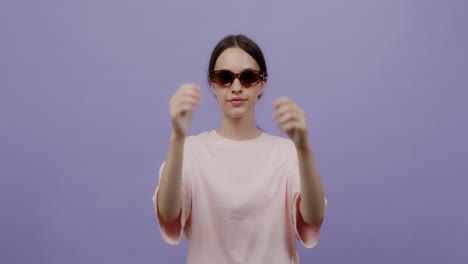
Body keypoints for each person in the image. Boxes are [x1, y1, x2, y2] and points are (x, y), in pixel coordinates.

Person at [152, 34, 327, 264]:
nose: (236, 87)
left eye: (248, 77)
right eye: (224, 77)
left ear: (262, 83)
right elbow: (168, 214)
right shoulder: (191, 152)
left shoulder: (286, 153)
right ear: (212, 85)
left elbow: (313, 218)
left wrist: (303, 147)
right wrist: (177, 136)